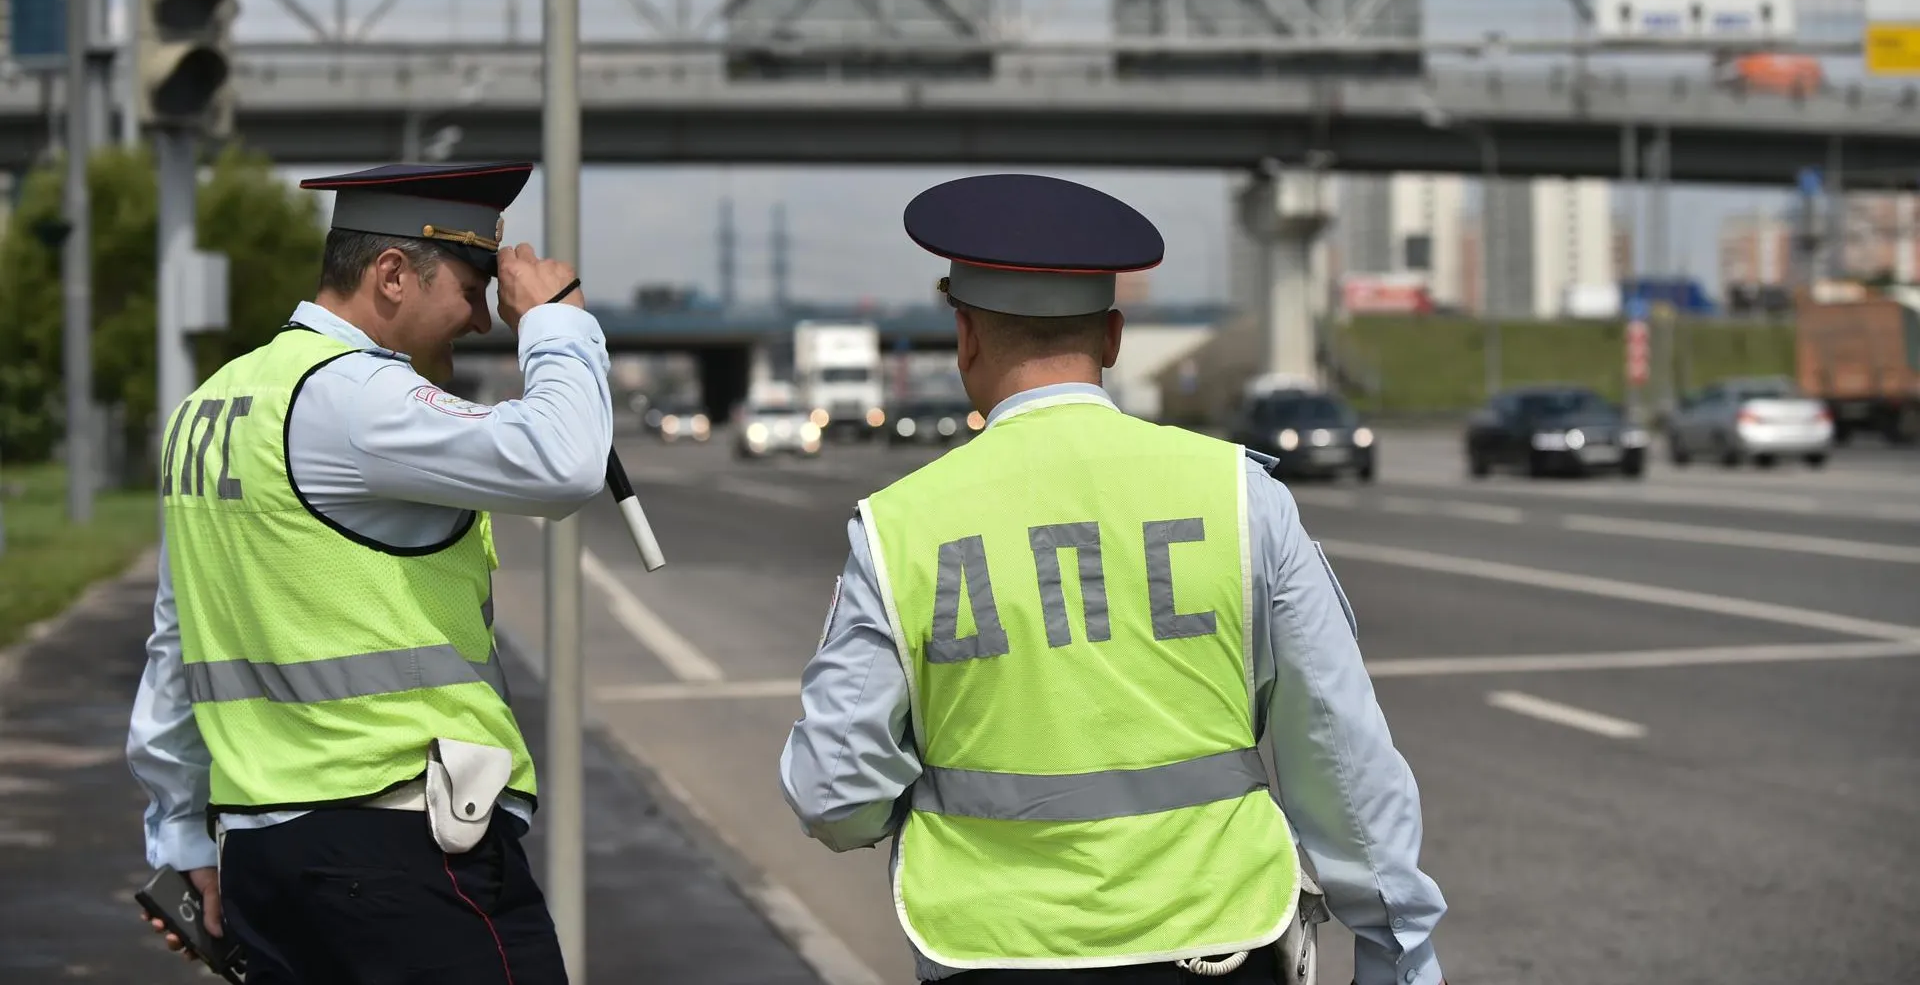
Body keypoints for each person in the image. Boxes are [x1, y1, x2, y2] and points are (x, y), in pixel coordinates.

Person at [779, 173, 1448, 984]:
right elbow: (1342, 755)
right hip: (1218, 945)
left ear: (965, 336)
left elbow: (834, 791)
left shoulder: (902, 525)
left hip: (991, 953)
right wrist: (1396, 957)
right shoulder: (1240, 497)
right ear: (1114, 338)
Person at [127, 161, 612, 984]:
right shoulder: (351, 396)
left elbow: (176, 644)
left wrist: (179, 833)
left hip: (264, 855)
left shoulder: (213, 403)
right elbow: (563, 465)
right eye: (471, 286)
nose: (484, 321)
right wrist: (559, 326)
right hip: (395, 854)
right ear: (393, 274)